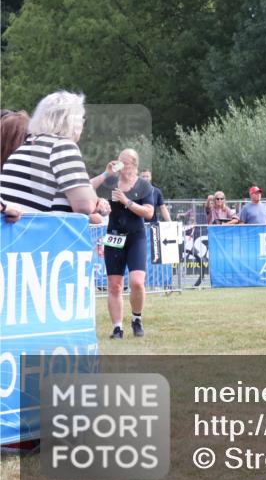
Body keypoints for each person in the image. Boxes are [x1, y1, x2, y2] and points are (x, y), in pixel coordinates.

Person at [0, 91, 109, 224]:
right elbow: (84, 206)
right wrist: (96, 202)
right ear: (71, 121)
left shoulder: (24, 147)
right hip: (42, 239)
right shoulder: (62, 146)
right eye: (82, 119)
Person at [91, 149, 155, 339]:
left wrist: (126, 201)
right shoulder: (111, 183)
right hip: (113, 237)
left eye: (125, 164)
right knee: (115, 285)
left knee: (136, 282)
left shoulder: (144, 186)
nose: (122, 167)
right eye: (119, 163)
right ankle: (117, 327)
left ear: (134, 165)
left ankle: (136, 318)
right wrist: (105, 173)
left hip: (136, 237)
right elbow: (87, 187)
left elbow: (149, 213)